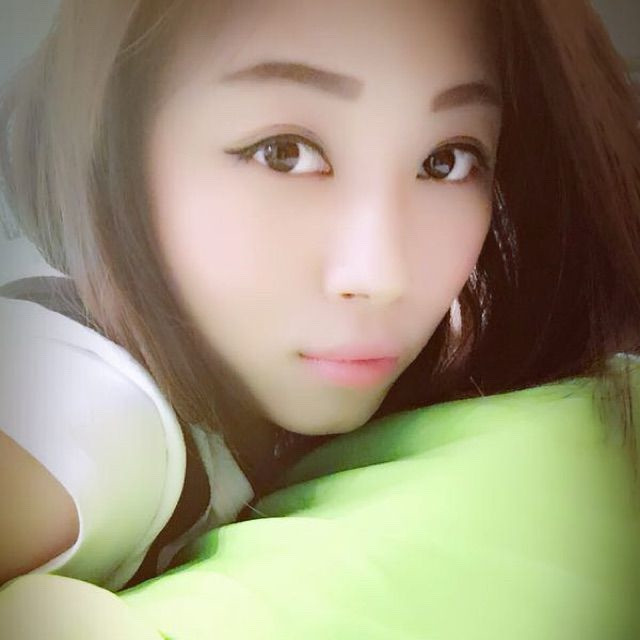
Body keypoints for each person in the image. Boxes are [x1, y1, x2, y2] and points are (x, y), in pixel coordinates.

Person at [0, 0, 639, 594]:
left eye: (447, 160)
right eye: (284, 153)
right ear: (114, 150)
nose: (379, 274)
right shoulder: (90, 394)